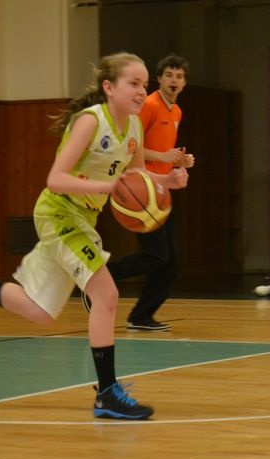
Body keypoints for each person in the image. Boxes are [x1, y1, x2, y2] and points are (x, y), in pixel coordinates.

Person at [0, 53, 188, 420]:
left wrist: (166, 180)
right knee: (106, 295)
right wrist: (107, 186)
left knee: (40, 312)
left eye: (144, 84)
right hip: (58, 212)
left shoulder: (133, 128)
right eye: (134, 83)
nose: (143, 91)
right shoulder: (90, 121)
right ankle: (107, 393)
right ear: (109, 87)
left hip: (84, 218)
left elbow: (136, 178)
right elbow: (56, 179)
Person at [82, 53, 195, 331]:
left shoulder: (176, 111)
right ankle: (97, 279)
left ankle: (141, 316)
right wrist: (164, 157)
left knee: (170, 260)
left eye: (179, 76)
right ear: (159, 79)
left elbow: (161, 152)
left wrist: (179, 161)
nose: (174, 80)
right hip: (141, 190)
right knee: (157, 256)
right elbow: (130, 147)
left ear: (184, 83)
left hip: (160, 190)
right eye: (169, 75)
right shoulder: (149, 106)